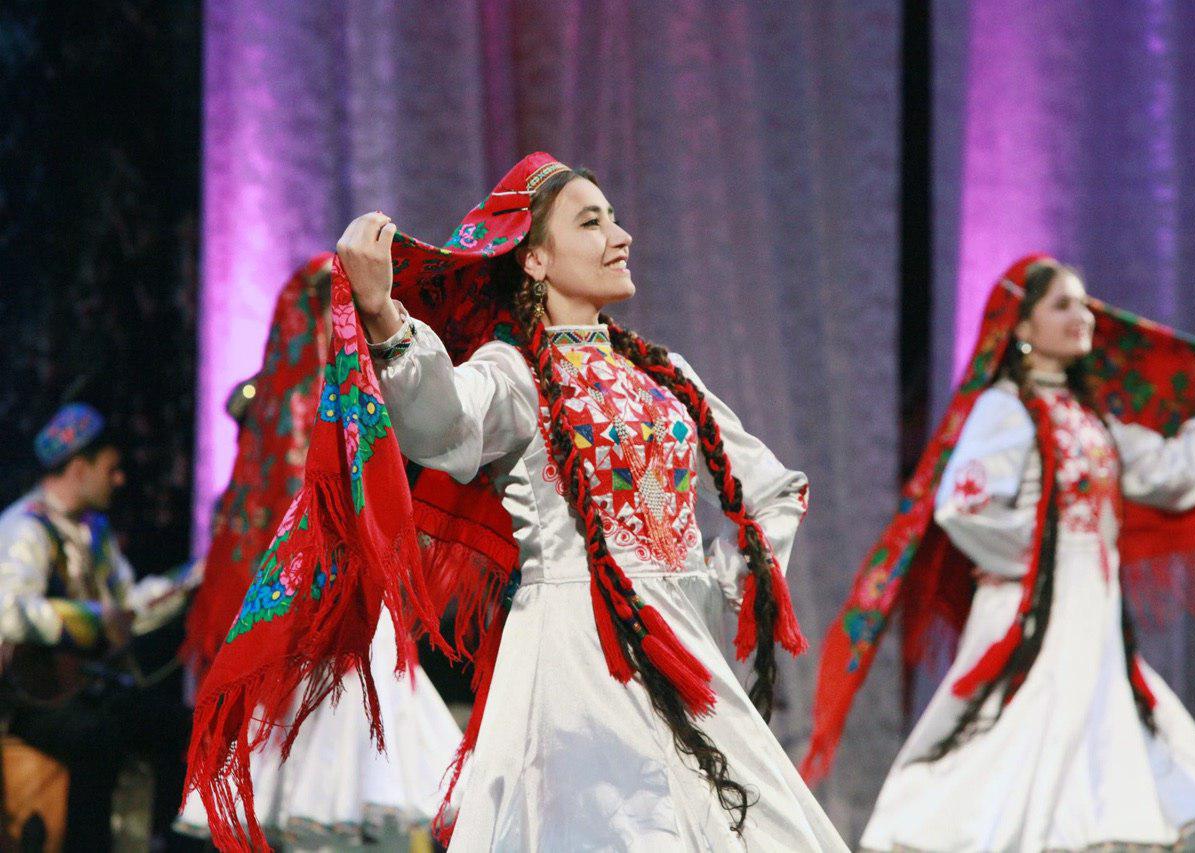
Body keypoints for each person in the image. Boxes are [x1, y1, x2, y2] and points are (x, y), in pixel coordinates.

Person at [186, 153, 846, 851]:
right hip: (573, 661)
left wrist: (719, 589)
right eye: (592, 223)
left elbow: (774, 489)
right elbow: (441, 424)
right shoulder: (514, 372)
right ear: (533, 258)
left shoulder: (664, 376)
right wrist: (383, 318)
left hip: (681, 659)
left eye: (615, 220)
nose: (619, 237)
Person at [805, 256, 1195, 850]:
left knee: (1085, 754)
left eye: (1084, 304)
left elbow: (1169, 471)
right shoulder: (1005, 407)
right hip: (1032, 610)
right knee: (1020, 740)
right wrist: (1037, 561)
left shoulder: (1088, 416)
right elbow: (963, 506)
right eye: (1063, 305)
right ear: (1022, 327)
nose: (1083, 316)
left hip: (1093, 616)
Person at [175, 255, 464, 848]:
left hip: (316, 599)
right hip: (337, 599)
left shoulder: (293, 403)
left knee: (326, 769)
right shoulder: (341, 397)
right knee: (347, 769)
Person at [0, 403, 201, 850]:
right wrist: (93, 621)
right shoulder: (23, 529)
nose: (119, 479)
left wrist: (195, 577)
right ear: (77, 468)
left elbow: (125, 605)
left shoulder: (93, 531)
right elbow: (9, 613)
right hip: (28, 702)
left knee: (179, 726)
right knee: (97, 740)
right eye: (110, 469)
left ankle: (169, 840)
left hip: (82, 691)